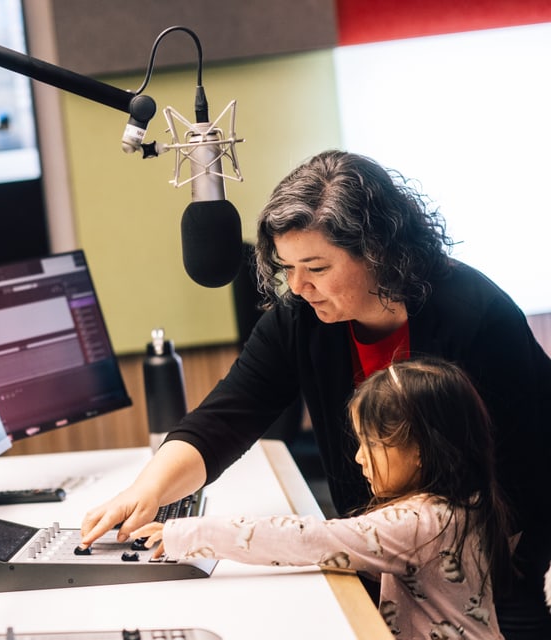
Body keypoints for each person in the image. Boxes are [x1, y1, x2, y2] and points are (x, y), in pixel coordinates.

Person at [79, 150, 551, 638]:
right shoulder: (301, 318)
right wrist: (146, 491)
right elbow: (227, 415)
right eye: (287, 268)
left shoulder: (476, 318)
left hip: (501, 559)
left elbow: (522, 474)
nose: (299, 286)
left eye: (317, 268)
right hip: (385, 557)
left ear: (378, 251)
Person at [132, 358, 513, 639]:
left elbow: (312, 538)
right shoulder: (467, 499)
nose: (359, 457)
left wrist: (189, 535)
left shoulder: (419, 523)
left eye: (373, 444)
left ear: (420, 450)